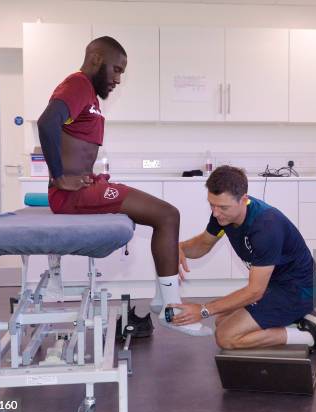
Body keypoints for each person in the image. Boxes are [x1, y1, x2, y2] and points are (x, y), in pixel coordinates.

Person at [37, 36, 211, 337]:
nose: (118, 79)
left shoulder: (87, 93)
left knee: (167, 215)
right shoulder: (77, 84)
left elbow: (72, 141)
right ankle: (171, 309)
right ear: (95, 60)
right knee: (168, 215)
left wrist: (81, 176)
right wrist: (59, 177)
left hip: (80, 187)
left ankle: (162, 301)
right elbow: (46, 122)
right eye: (115, 70)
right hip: (71, 194)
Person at [170, 166, 316, 350]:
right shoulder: (223, 216)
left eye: (222, 207)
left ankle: (309, 335)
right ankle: (293, 319)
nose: (215, 212)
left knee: (226, 336)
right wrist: (176, 248)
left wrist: (203, 310)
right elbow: (203, 245)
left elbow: (254, 291)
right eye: (211, 204)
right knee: (221, 321)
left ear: (244, 199)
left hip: (298, 291)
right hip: (273, 287)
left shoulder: (265, 227)